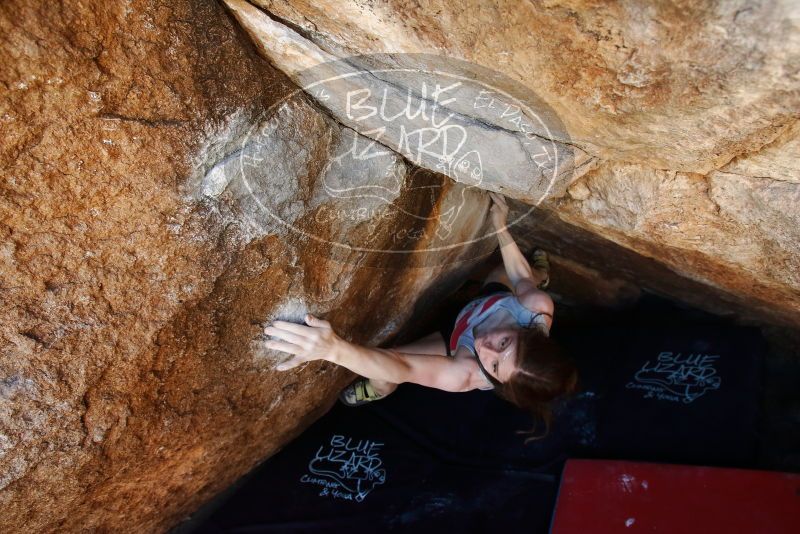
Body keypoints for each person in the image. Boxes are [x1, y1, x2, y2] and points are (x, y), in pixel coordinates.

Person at [266, 192, 578, 440]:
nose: (486, 347)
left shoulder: (465, 373)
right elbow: (519, 274)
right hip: (489, 303)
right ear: (527, 331)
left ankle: (377, 392)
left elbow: (402, 366)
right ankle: (543, 273)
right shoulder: (536, 307)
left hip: (456, 342)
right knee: (522, 277)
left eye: (495, 365)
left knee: (388, 368)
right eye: (504, 342)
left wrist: (333, 349)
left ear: (496, 380)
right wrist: (500, 224)